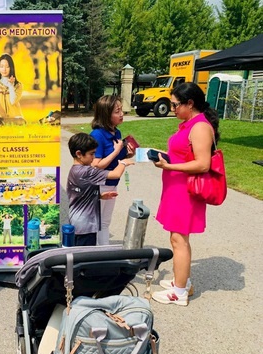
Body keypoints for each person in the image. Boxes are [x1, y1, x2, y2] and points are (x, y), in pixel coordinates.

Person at [151, 82, 220, 306]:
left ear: (190, 104)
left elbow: (202, 164)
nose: (172, 109)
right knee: (178, 238)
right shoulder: (189, 124)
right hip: (176, 188)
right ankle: (181, 282)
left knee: (179, 240)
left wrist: (169, 167)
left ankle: (179, 292)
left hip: (186, 191)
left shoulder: (199, 127)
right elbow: (182, 154)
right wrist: (164, 157)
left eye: (175, 105)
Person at [67, 133, 133, 246]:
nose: (94, 157)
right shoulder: (86, 171)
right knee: (85, 257)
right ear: (79, 154)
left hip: (78, 223)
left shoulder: (74, 170)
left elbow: (79, 194)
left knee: (78, 256)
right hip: (85, 227)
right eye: (91, 154)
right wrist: (123, 162)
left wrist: (99, 196)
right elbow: (115, 174)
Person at [89, 95, 136, 245]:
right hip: (100, 184)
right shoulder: (97, 135)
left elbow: (117, 158)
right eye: (117, 111)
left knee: (105, 222)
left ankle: (103, 253)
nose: (121, 114)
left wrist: (129, 153)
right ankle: (92, 254)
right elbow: (95, 164)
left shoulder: (117, 133)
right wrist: (116, 151)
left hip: (112, 182)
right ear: (106, 114)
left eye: (121, 109)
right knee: (95, 222)